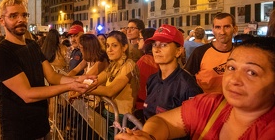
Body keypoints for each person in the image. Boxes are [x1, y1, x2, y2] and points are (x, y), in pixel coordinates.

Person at [115, 37, 275, 140]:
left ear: (179, 51)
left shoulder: (187, 84)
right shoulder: (210, 104)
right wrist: (148, 136)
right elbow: (162, 120)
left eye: (251, 72)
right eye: (231, 68)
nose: (234, 79)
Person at [0, 0, 96, 139]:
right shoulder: (1, 52)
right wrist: (69, 87)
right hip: (18, 130)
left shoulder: (32, 45)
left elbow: (52, 76)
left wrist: (78, 80)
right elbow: (27, 94)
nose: (21, 19)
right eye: (13, 16)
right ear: (2, 21)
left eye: (24, 15)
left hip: (41, 125)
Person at [142, 25, 203, 124]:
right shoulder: (152, 80)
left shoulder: (188, 87)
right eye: (154, 45)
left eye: (164, 45)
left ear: (178, 51)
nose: (156, 50)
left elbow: (193, 124)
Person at [87, 30, 139, 140]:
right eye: (107, 46)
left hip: (122, 118)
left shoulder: (129, 65)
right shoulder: (113, 65)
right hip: (108, 114)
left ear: (124, 47)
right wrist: (77, 85)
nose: (109, 50)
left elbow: (110, 90)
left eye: (114, 46)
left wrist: (82, 89)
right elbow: (96, 79)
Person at [184, 12, 238, 93]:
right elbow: (185, 79)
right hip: (206, 103)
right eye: (218, 27)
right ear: (213, 30)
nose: (222, 32)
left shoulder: (241, 52)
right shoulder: (200, 52)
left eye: (226, 27)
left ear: (235, 29)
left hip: (233, 103)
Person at [135, 28, 158, 111]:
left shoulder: (145, 60)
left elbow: (138, 86)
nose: (137, 41)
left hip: (143, 106)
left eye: (139, 38)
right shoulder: (154, 59)